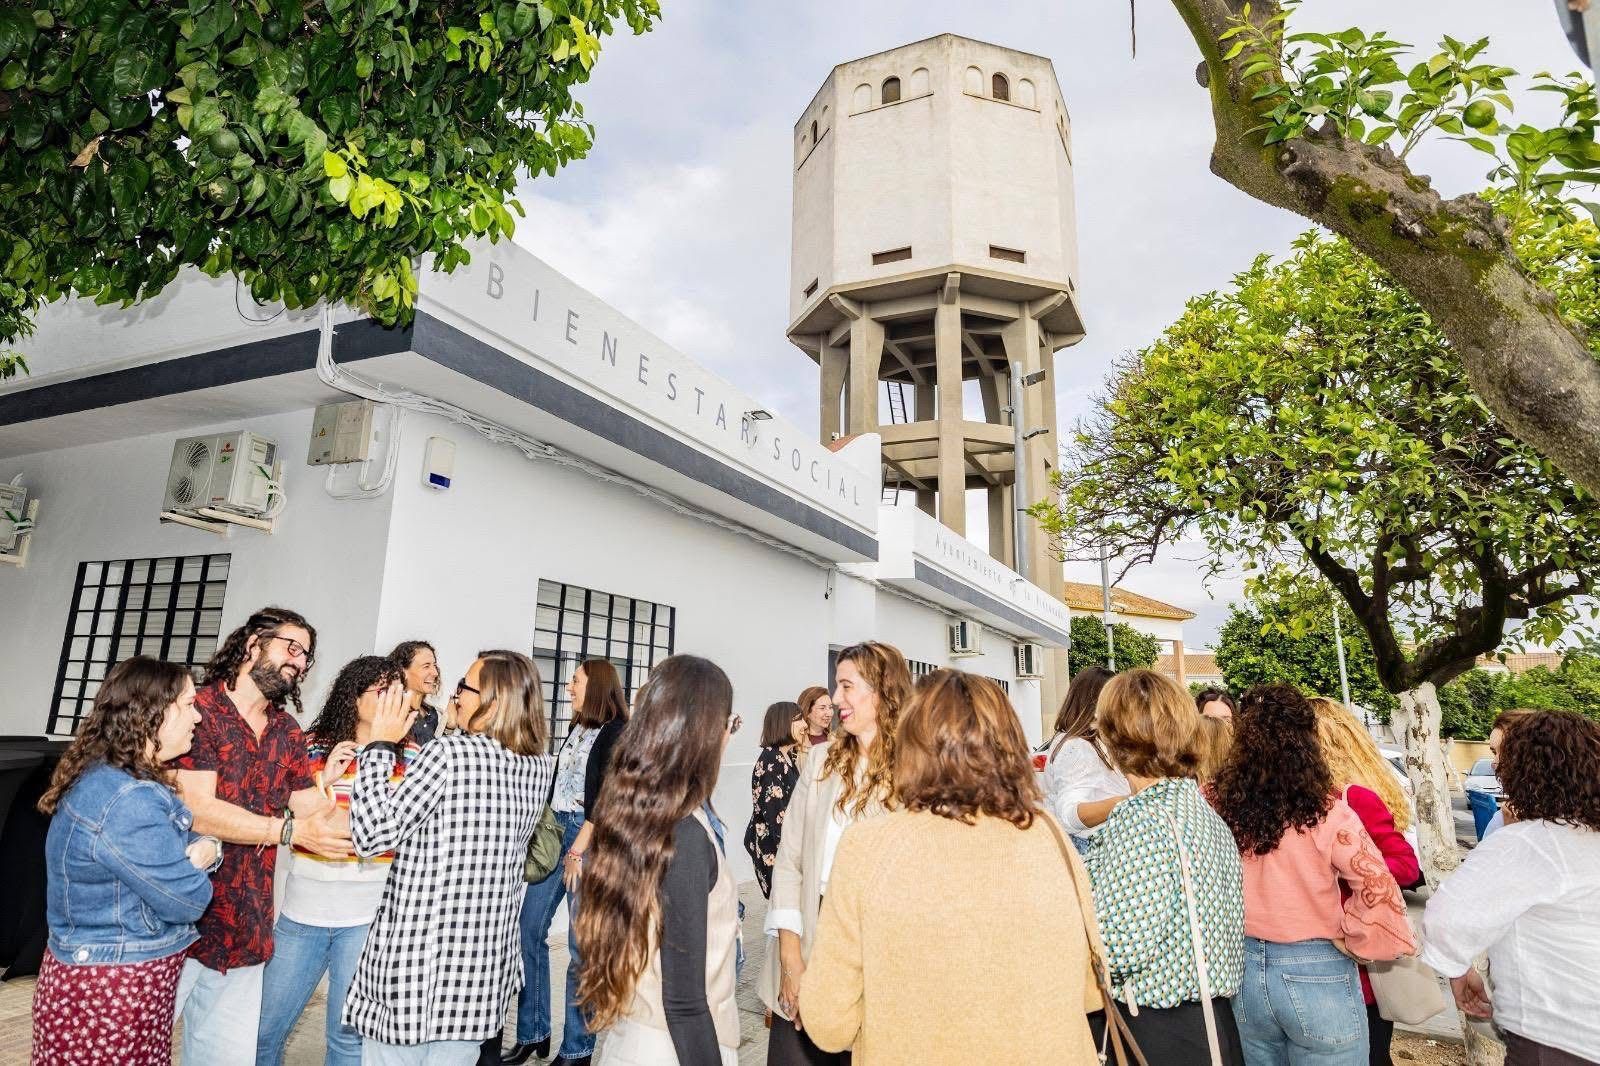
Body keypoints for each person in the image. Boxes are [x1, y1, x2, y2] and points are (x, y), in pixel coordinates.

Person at [797, 669, 1099, 1065]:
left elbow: (827, 1022)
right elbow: (1091, 989)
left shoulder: (867, 849)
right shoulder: (1049, 836)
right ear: (1009, 745)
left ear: (909, 747)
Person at [343, 649, 555, 1065]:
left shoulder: (448, 754)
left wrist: (379, 745)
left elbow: (369, 835)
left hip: (418, 967)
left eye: (463, 686)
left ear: (493, 701)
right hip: (480, 972)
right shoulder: (539, 766)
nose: (454, 695)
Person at [171, 607, 350, 1065]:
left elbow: (306, 807)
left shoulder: (286, 730)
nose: (299, 662)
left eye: (306, 656)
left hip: (246, 924)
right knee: (139, 1047)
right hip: (179, 917)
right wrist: (285, 830)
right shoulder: (198, 712)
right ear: (253, 644)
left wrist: (340, 793)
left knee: (225, 1057)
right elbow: (199, 811)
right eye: (292, 648)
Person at [1212, 684, 1415, 1066]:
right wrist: (1358, 938)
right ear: (1307, 742)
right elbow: (1378, 884)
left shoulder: (1220, 805)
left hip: (1242, 966)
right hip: (1317, 965)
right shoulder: (1328, 812)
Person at [32, 657, 220, 1066]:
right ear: (153, 712)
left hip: (106, 982)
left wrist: (202, 847)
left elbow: (180, 844)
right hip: (112, 993)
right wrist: (206, 854)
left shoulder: (116, 778)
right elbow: (187, 900)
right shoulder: (129, 799)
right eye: (190, 704)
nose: (198, 717)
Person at [573, 656, 744, 1066]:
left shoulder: (638, 812)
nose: (729, 735)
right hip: (673, 1050)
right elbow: (684, 1004)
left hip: (636, 1038)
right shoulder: (684, 835)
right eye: (728, 722)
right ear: (705, 732)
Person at [256, 656, 421, 1066]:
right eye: (382, 691)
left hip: (368, 918)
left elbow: (398, 831)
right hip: (302, 915)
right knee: (263, 1032)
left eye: (397, 691)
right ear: (353, 696)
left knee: (347, 1044)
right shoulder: (312, 745)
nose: (393, 699)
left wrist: (339, 821)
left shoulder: (412, 757)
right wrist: (322, 787)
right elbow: (287, 813)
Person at [1421, 709, 1600, 1066]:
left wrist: (1458, 970)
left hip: (1558, 1039)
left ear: (1525, 770)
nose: (1495, 765)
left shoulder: (1530, 843)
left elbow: (1446, 919)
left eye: (1501, 755)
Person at [1084, 669, 1246, 1063]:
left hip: (1157, 1030)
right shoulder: (1196, 810)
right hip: (1209, 1024)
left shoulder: (1143, 818)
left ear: (1114, 737)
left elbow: (1119, 947)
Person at [762, 642, 910, 1066]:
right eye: (836, 685)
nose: (836, 699)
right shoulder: (821, 760)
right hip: (810, 932)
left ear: (882, 690)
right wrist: (791, 959)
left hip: (878, 953)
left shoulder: (915, 769)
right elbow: (789, 860)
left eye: (847, 686)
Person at [504, 659, 630, 1066]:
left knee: (581, 948)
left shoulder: (617, 732)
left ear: (596, 686)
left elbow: (608, 798)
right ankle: (533, 1032)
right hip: (556, 830)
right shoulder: (578, 727)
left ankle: (577, 1048)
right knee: (528, 929)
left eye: (575, 680)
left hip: (587, 838)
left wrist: (577, 850)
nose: (569, 687)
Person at [1309, 697, 1422, 1066]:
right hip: (1315, 963)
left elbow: (1406, 866)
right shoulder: (1296, 799)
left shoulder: (1353, 798)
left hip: (1358, 968)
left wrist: (1351, 866)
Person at [1041, 666, 1128, 851]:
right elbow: (1069, 816)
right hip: (1089, 847)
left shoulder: (1088, 742)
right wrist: (1126, 801)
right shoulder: (1077, 747)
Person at [744, 701, 807, 898]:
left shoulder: (786, 757)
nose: (805, 725)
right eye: (799, 720)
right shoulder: (772, 762)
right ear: (783, 723)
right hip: (776, 851)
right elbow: (776, 818)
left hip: (787, 851)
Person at [390, 640, 443, 745]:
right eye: (426, 666)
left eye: (434, 665)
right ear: (402, 672)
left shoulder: (432, 714)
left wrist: (448, 728)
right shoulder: (393, 714)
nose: (435, 673)